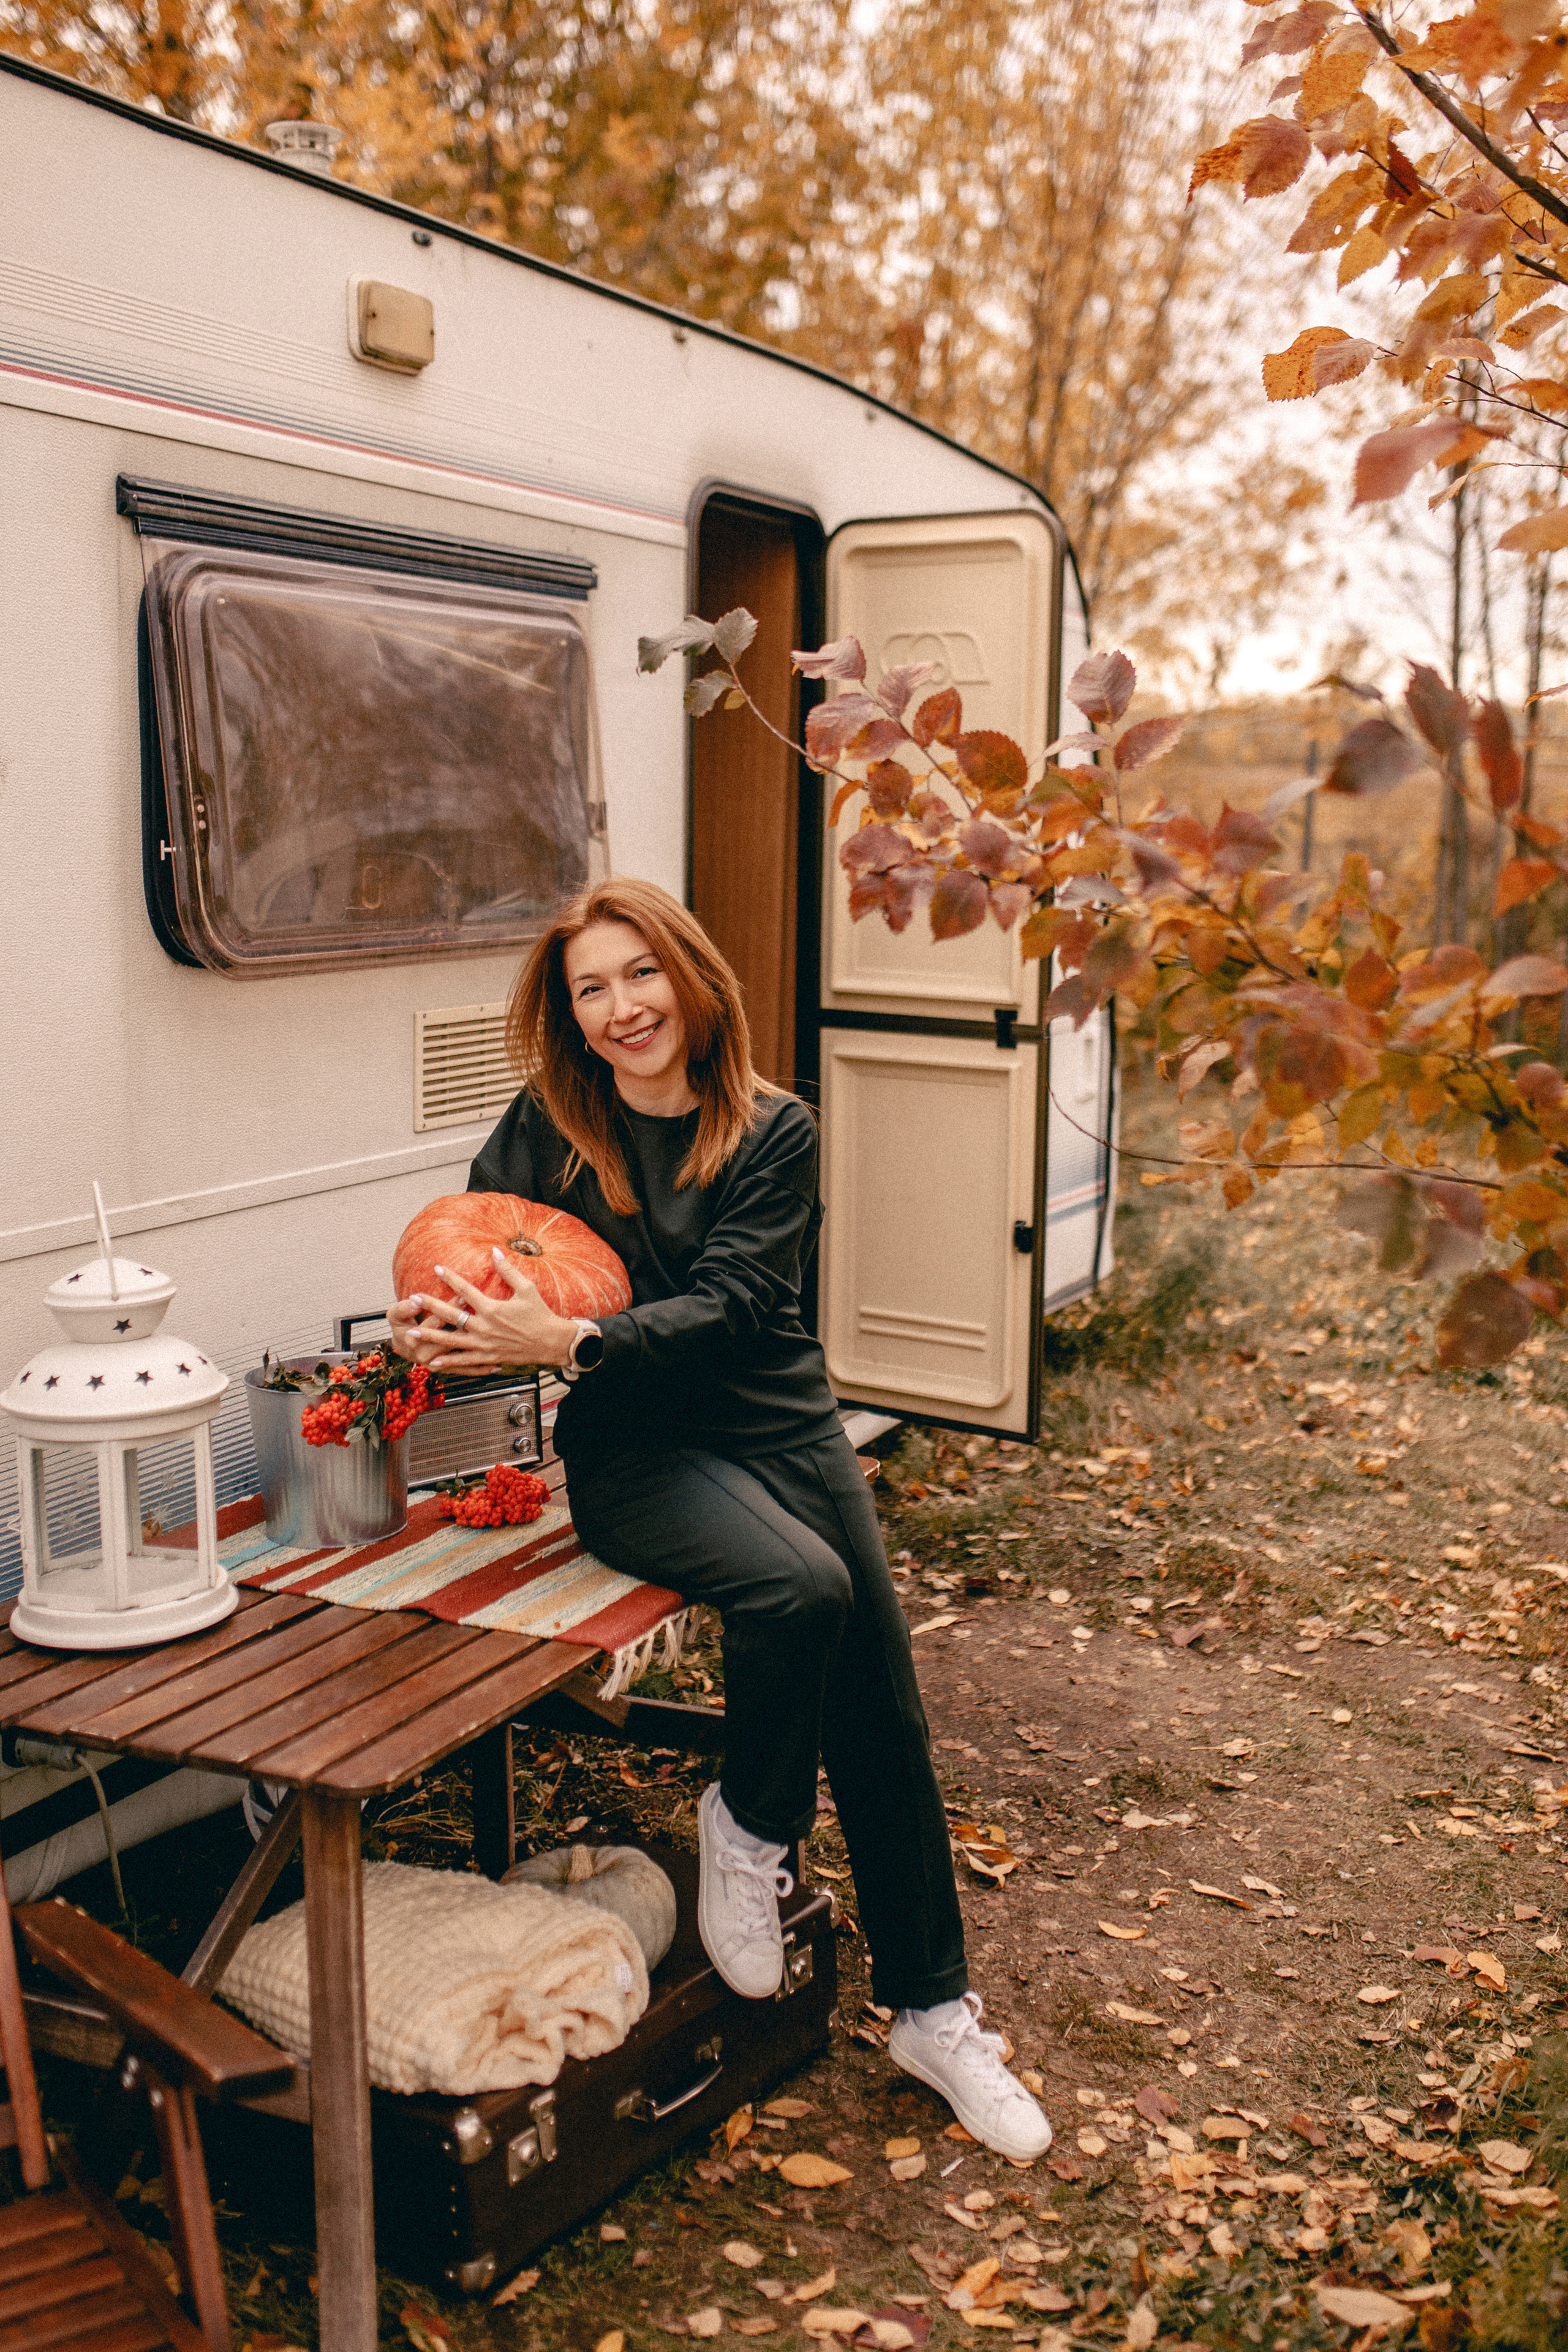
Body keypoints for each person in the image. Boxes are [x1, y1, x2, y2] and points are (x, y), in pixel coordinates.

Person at [388, 879, 1051, 2162]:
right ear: (568, 1014)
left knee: (876, 1694)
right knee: (799, 1591)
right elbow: (474, 1259)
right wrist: (446, 1331)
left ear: (690, 979)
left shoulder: (772, 1129)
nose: (621, 1006)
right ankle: (750, 1831)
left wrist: (572, 1335)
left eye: (639, 974)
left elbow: (741, 1304)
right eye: (591, 988)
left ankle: (929, 2010)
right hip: (637, 1444)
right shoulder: (549, 1128)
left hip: (773, 1420)